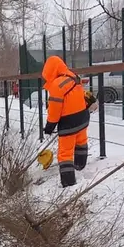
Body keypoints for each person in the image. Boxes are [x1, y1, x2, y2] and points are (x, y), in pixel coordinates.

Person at [41, 55, 95, 187]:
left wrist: (50, 126)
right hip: (82, 118)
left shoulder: (56, 85)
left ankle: (68, 182)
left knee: (65, 153)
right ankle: (80, 165)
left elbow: (54, 109)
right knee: (81, 142)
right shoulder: (74, 77)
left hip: (68, 123)